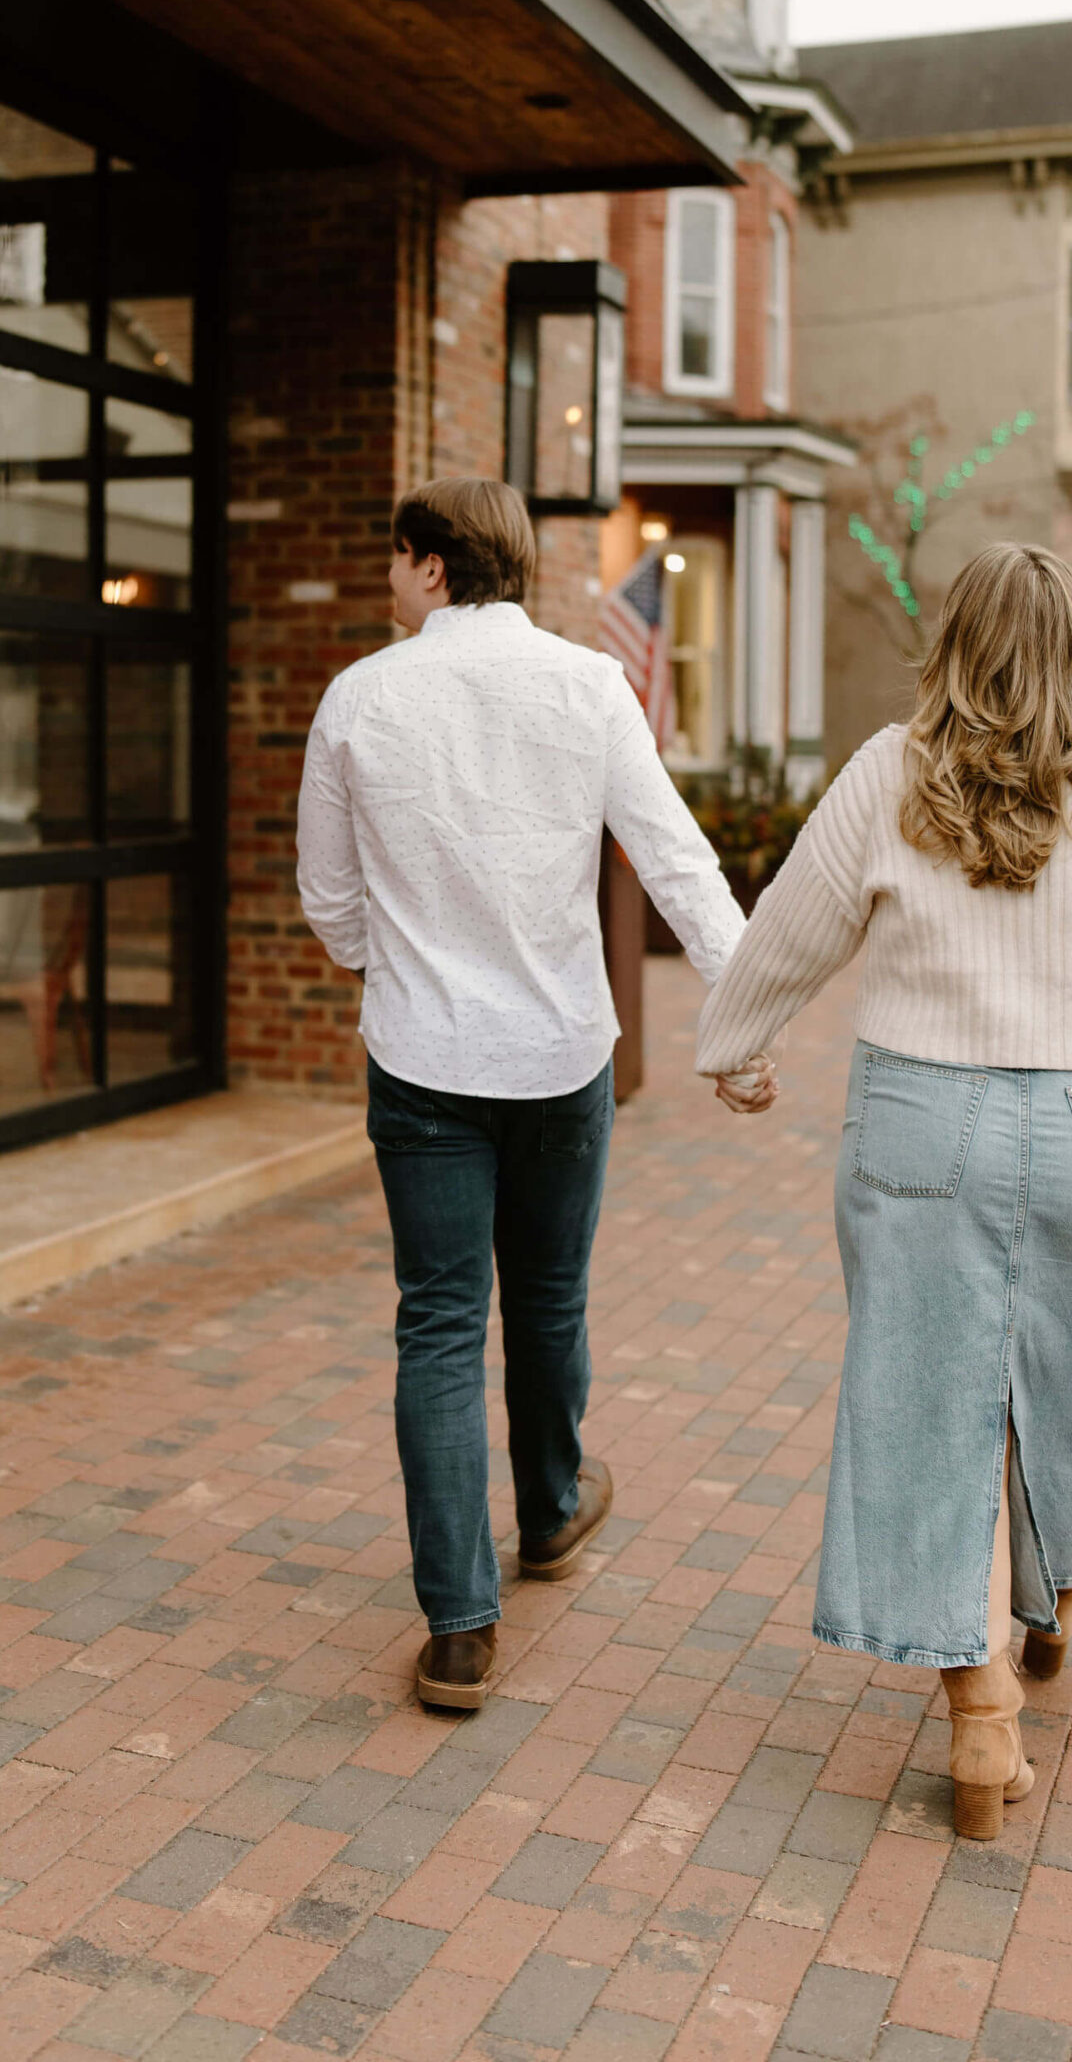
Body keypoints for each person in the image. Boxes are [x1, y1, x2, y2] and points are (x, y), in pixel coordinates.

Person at [696, 543, 1072, 1837]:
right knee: (1070, 1375)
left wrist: (728, 1046)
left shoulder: (889, 771)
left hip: (919, 1124)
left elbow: (787, 931)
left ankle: (979, 1717)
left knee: (925, 1410)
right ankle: (1053, 1601)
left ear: (951, 644)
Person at [297, 478, 759, 1710]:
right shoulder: (589, 685)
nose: (388, 579)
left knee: (440, 1325)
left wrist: (393, 962)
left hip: (423, 1060)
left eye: (396, 558)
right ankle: (550, 1512)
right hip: (561, 1056)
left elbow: (329, 904)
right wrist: (745, 1008)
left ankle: (458, 1628)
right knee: (548, 1297)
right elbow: (673, 856)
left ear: (435, 567)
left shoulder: (358, 698)